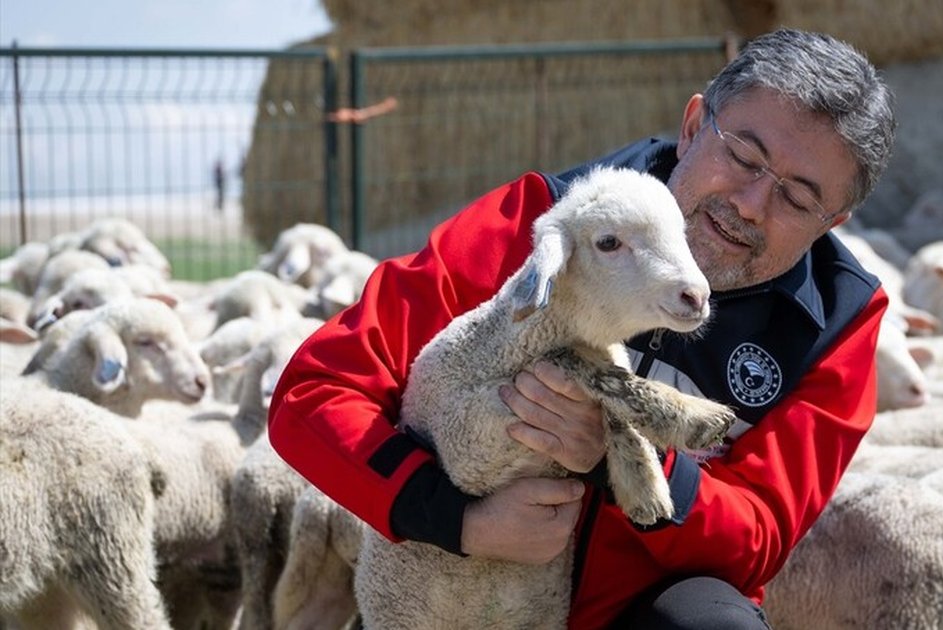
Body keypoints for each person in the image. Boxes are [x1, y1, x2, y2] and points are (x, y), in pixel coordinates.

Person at [268, 28, 896, 629]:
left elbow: (759, 539)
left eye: (797, 198)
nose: (751, 204)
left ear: (833, 219)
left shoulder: (835, 325)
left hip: (639, 607)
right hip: (452, 585)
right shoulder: (541, 221)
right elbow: (315, 393)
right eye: (742, 156)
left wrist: (618, 458)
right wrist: (455, 517)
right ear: (693, 125)